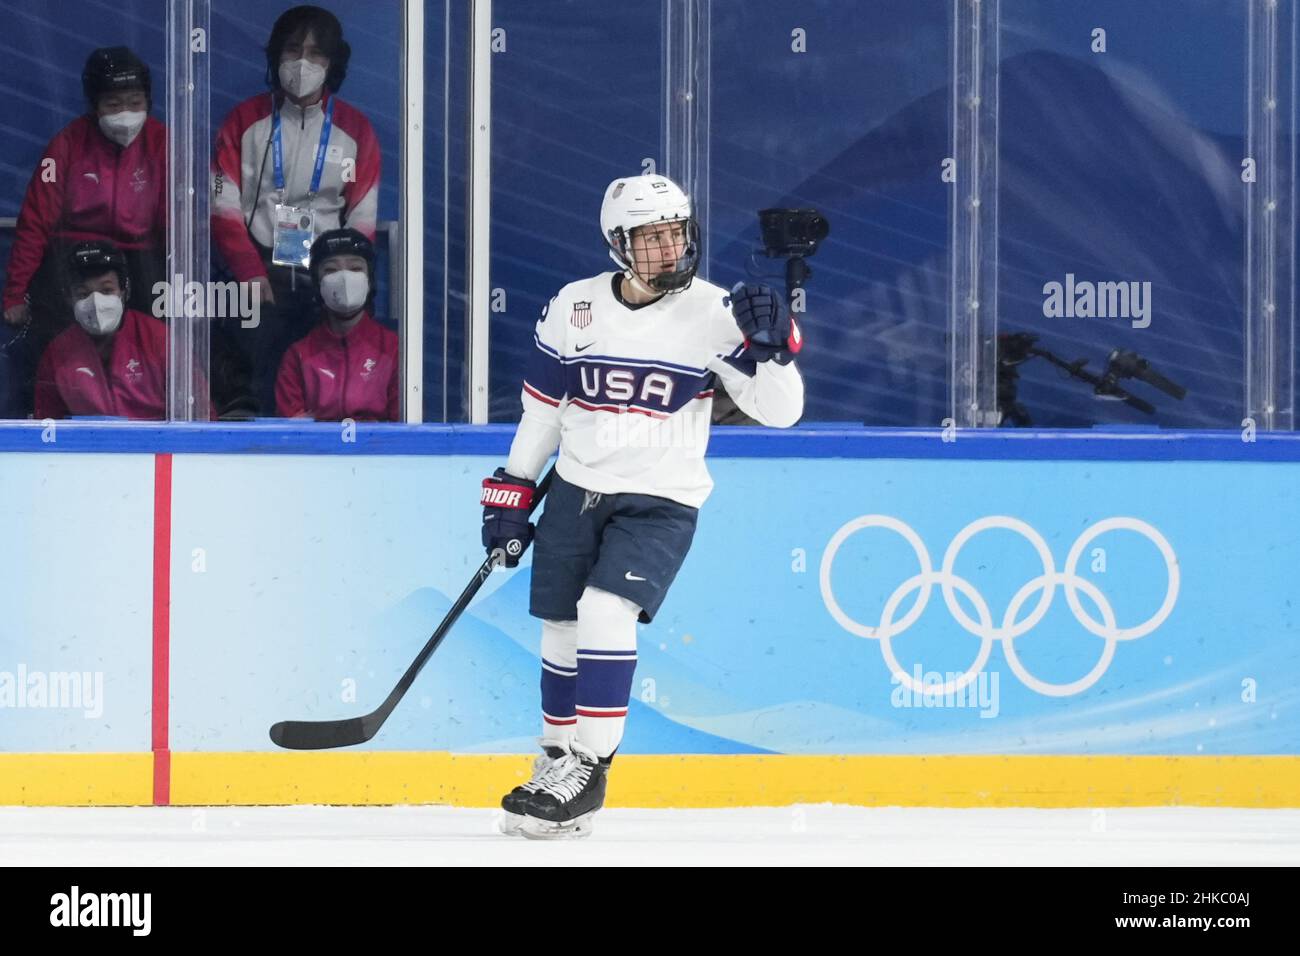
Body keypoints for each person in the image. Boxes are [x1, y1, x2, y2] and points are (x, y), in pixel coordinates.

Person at [482, 175, 805, 839]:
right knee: (561, 626)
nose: (669, 247)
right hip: (576, 488)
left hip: (661, 498)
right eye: (651, 237)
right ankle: (556, 764)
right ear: (618, 246)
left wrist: (774, 355)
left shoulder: (719, 313)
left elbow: (783, 414)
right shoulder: (574, 309)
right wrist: (513, 492)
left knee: (606, 610)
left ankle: (590, 771)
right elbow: (543, 412)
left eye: (676, 232)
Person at [211, 4, 381, 416]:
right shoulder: (244, 121)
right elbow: (222, 205)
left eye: (315, 53)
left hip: (327, 261)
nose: (302, 63)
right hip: (258, 264)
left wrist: (340, 270)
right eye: (292, 50)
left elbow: (362, 216)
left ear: (332, 62)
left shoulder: (356, 130)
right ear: (275, 56)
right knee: (249, 348)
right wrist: (248, 270)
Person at [2, 46, 166, 418]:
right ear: (94, 105)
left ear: (149, 101)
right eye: (112, 104)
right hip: (69, 255)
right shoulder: (66, 145)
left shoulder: (163, 144)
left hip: (140, 261)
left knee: (155, 344)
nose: (125, 113)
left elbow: (177, 225)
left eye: (135, 101)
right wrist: (15, 292)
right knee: (49, 344)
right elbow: (34, 223)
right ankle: (41, 425)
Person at [275, 228, 399, 420]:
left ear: (370, 279)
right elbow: (293, 436)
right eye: (331, 270)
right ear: (317, 283)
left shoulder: (394, 349)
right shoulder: (298, 356)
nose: (344, 279)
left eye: (356, 268)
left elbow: (404, 429)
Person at [34, 240, 166, 420]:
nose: (96, 302)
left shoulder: (158, 338)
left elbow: (198, 415)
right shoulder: (57, 354)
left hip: (154, 446)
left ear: (124, 291)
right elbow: (46, 425)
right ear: (68, 298)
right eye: (83, 294)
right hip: (88, 446)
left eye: (106, 290)